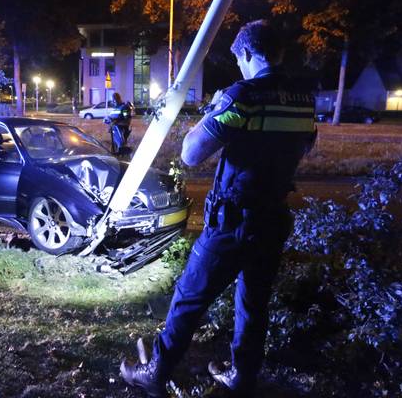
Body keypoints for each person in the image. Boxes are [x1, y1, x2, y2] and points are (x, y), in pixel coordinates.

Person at [120, 20, 317, 397]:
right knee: (253, 303)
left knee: (189, 297)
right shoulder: (303, 99)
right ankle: (242, 376)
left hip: (233, 222)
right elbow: (303, 147)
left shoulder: (243, 95)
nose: (239, 68)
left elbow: (191, 154)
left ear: (246, 53)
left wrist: (214, 112)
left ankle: (155, 372)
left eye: (238, 60)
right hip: (273, 219)